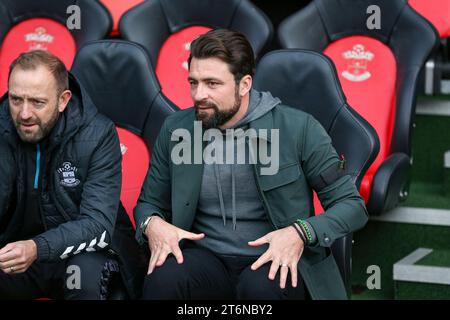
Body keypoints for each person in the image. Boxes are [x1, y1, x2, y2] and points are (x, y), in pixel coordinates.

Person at [134, 29, 368, 300]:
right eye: (193, 82)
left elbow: (352, 206)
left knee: (261, 290)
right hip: (206, 259)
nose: (198, 95)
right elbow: (148, 203)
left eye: (212, 84)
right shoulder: (176, 129)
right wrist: (152, 224)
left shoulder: (298, 128)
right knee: (163, 280)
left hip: (274, 259)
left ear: (244, 85)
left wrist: (301, 233)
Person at [0, 50, 143, 300]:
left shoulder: (98, 134)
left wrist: (37, 247)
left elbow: (97, 224)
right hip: (14, 255)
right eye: (15, 99)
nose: (24, 113)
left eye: (37, 102)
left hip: (75, 257)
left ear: (63, 100)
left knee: (83, 279)